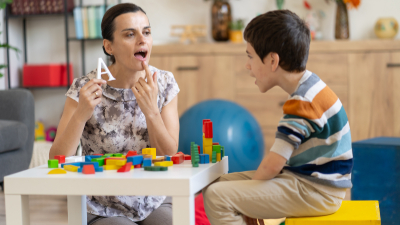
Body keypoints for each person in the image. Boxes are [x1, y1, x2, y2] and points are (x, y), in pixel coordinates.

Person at [202, 10, 352, 225]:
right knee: (217, 183)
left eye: (250, 56)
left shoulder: (302, 103)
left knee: (217, 196)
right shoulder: (311, 86)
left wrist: (248, 197)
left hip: (317, 191)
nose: (247, 65)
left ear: (272, 60)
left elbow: (273, 164)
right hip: (309, 182)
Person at [49, 3, 180, 225]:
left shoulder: (164, 84)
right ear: (109, 47)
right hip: (101, 205)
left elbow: (167, 154)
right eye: (130, 34)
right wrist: (81, 114)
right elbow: (57, 158)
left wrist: (151, 112)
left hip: (153, 199)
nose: (142, 40)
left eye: (146, 32)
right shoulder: (83, 88)